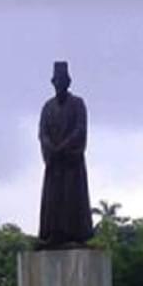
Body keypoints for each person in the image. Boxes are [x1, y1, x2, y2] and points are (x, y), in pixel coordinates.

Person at [36, 61, 93, 249]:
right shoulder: (47, 107)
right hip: (54, 163)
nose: (59, 83)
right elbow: (42, 132)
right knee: (53, 198)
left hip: (71, 162)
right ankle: (53, 234)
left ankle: (74, 234)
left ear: (68, 82)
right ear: (53, 82)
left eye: (62, 80)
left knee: (72, 196)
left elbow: (80, 129)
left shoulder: (77, 104)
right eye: (56, 80)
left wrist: (64, 147)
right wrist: (49, 147)